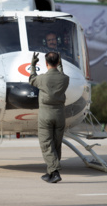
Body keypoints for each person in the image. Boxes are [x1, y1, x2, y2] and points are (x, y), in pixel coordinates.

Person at [29, 51, 69, 183]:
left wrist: (33, 65)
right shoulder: (65, 79)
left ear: (46, 63)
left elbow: (31, 79)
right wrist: (61, 65)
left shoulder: (42, 79)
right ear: (58, 62)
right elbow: (61, 74)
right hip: (60, 115)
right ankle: (50, 172)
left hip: (45, 115)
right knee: (56, 145)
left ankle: (55, 172)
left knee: (46, 144)